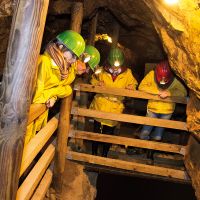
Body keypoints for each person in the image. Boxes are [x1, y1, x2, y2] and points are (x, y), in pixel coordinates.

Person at [25, 30, 86, 144]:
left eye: (76, 57)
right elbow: (35, 97)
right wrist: (53, 93)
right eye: (73, 55)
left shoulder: (60, 68)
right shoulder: (44, 62)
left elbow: (67, 88)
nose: (74, 60)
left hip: (36, 118)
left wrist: (53, 96)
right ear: (61, 47)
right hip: (24, 119)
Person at [90, 48, 138, 157]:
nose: (115, 67)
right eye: (113, 64)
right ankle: (93, 154)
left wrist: (131, 87)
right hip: (101, 104)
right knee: (96, 132)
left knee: (109, 133)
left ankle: (104, 155)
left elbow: (134, 84)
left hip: (115, 107)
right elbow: (92, 79)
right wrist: (97, 83)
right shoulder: (101, 71)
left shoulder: (127, 73)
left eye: (117, 64)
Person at [138, 60, 187, 141]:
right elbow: (142, 87)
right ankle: (142, 148)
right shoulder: (151, 75)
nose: (162, 82)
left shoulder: (175, 79)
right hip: (152, 109)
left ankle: (150, 152)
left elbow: (183, 92)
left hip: (167, 111)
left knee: (158, 137)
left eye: (165, 80)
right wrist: (157, 92)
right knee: (144, 134)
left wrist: (169, 93)